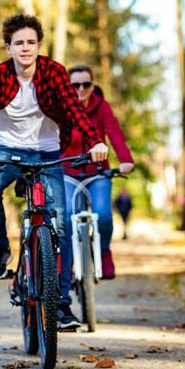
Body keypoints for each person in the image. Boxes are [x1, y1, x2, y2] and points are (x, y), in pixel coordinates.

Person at [0, 14, 108, 330]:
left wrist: (95, 141)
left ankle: (61, 304)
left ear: (38, 46)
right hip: (7, 150)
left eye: (31, 42)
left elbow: (75, 111)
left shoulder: (54, 72)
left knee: (60, 224)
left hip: (48, 151)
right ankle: (1, 250)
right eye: (18, 43)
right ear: (8, 47)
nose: (25, 48)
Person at [62, 64, 134, 279]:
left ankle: (103, 252)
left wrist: (126, 160)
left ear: (93, 86)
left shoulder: (102, 107)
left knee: (102, 214)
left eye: (86, 84)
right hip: (67, 172)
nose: (80, 89)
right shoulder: (61, 108)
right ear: (68, 87)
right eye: (75, 85)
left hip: (97, 173)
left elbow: (115, 133)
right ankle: (68, 260)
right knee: (66, 215)